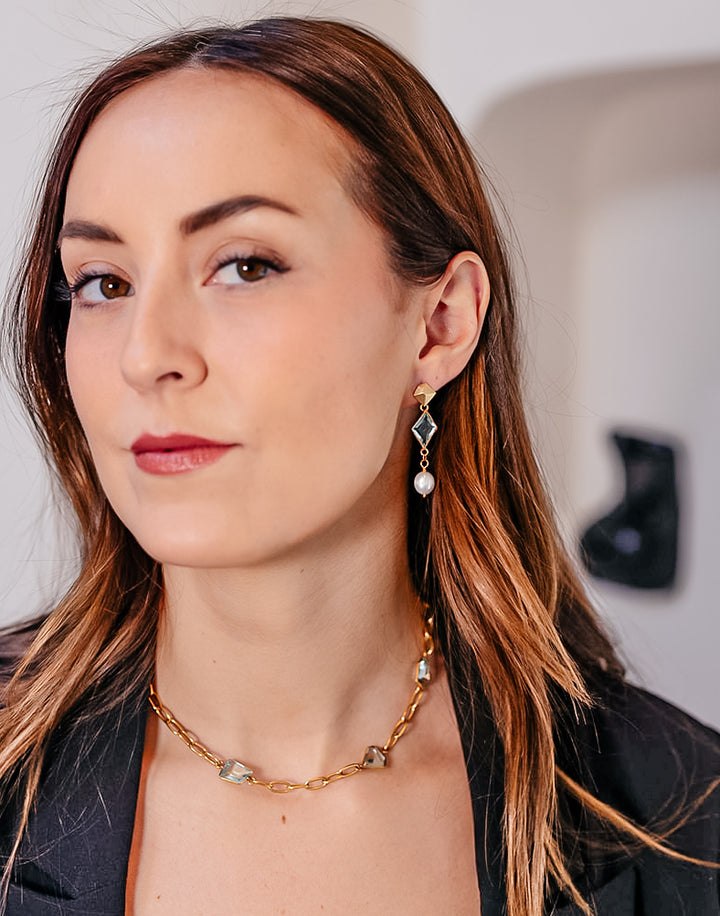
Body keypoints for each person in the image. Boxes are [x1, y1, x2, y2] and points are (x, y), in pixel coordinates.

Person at [0, 17, 717, 916]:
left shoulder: (684, 824)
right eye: (104, 283)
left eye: (245, 266)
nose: (147, 357)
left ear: (440, 323)